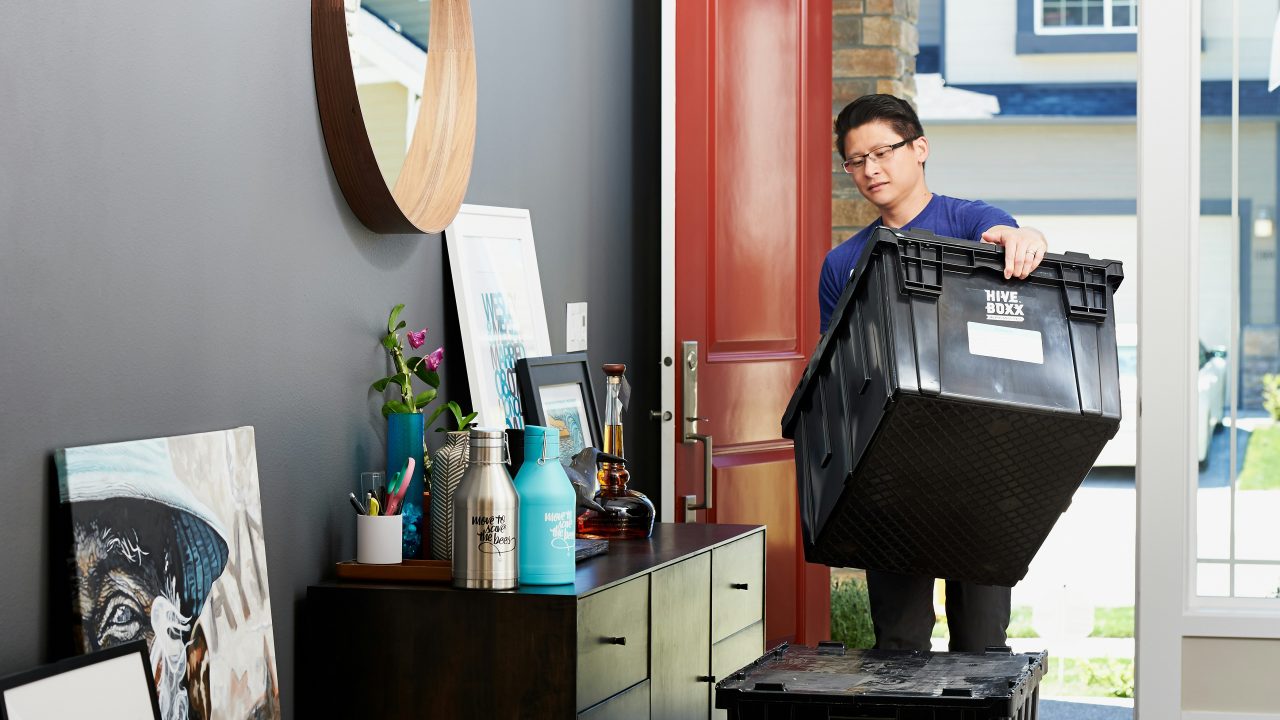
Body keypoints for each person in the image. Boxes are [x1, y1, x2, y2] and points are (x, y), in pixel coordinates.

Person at [821, 94, 1048, 653]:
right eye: (856, 160)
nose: (870, 169)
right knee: (898, 642)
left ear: (919, 148)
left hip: (984, 467)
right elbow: (835, 372)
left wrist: (1024, 239)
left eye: (883, 151)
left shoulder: (967, 221)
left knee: (982, 642)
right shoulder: (842, 262)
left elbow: (1006, 234)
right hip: (891, 473)